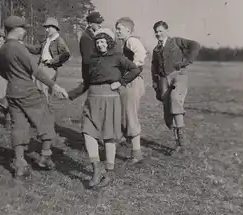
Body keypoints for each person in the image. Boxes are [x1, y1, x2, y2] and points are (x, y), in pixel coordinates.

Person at [0, 16, 68, 179]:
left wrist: (14, 77)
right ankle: (45, 156)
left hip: (12, 92)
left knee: (18, 126)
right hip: (28, 90)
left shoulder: (3, 48)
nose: (25, 31)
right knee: (46, 118)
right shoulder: (19, 48)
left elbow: (0, 71)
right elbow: (36, 70)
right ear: (16, 29)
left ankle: (20, 164)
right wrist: (54, 86)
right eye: (23, 28)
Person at [68, 31, 141, 188]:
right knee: (87, 131)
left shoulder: (118, 57)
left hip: (110, 99)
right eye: (97, 42)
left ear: (109, 42)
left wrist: (121, 82)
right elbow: (86, 82)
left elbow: (135, 69)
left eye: (103, 41)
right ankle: (96, 168)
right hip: (92, 99)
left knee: (109, 136)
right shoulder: (91, 60)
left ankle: (109, 172)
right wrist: (70, 95)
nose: (100, 44)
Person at [151, 21, 201, 153]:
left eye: (161, 31)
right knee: (168, 110)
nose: (158, 34)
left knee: (175, 100)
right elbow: (154, 67)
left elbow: (195, 45)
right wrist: (155, 83)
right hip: (163, 79)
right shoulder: (156, 49)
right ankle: (177, 143)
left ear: (166, 30)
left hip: (178, 76)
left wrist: (186, 61)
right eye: (156, 31)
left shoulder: (177, 41)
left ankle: (182, 143)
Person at [115, 17, 147, 163]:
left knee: (130, 115)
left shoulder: (132, 41)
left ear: (128, 30)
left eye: (119, 29)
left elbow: (141, 56)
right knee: (126, 114)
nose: (117, 31)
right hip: (129, 82)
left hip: (132, 82)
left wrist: (130, 71)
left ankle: (137, 153)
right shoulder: (125, 43)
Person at [25, 17, 71, 103]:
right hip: (41, 66)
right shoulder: (47, 40)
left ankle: (44, 111)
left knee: (43, 90)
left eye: (48, 27)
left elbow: (66, 54)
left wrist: (52, 61)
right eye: (46, 28)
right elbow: (36, 49)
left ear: (54, 28)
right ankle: (41, 109)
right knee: (38, 89)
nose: (46, 30)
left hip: (49, 68)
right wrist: (24, 45)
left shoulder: (59, 40)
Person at [79, 11, 103, 83]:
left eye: (100, 23)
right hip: (90, 74)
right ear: (90, 24)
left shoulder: (94, 36)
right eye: (97, 23)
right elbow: (87, 59)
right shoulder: (86, 37)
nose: (100, 25)